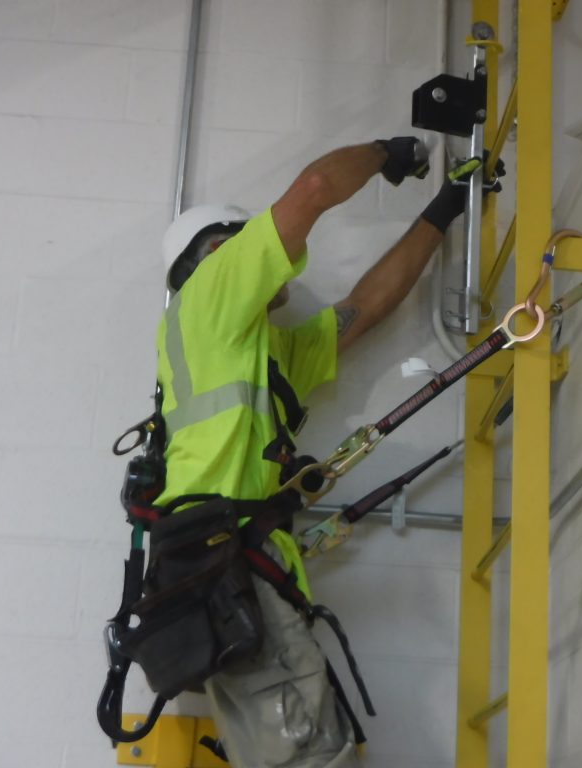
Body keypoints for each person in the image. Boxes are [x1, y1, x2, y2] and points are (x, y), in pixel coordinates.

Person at [153, 138, 476, 767]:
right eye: (241, 243)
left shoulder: (256, 352)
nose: (267, 259)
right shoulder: (213, 293)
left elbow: (366, 307)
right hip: (226, 563)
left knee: (295, 754)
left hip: (224, 567)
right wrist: (389, 152)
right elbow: (313, 191)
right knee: (312, 756)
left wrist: (443, 209)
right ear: (214, 253)